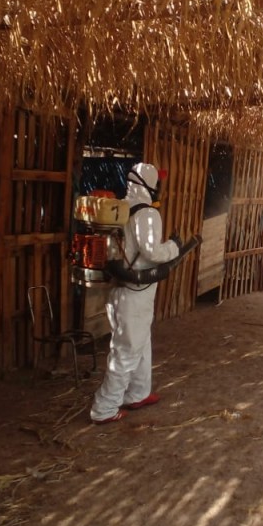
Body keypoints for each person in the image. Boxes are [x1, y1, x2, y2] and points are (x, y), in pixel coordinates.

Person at [90, 161, 180, 424]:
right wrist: (173, 246)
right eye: (157, 183)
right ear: (149, 184)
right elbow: (152, 252)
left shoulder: (120, 208)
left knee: (140, 343)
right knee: (127, 350)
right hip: (136, 292)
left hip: (120, 291)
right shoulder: (148, 214)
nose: (159, 188)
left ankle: (138, 393)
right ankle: (104, 408)